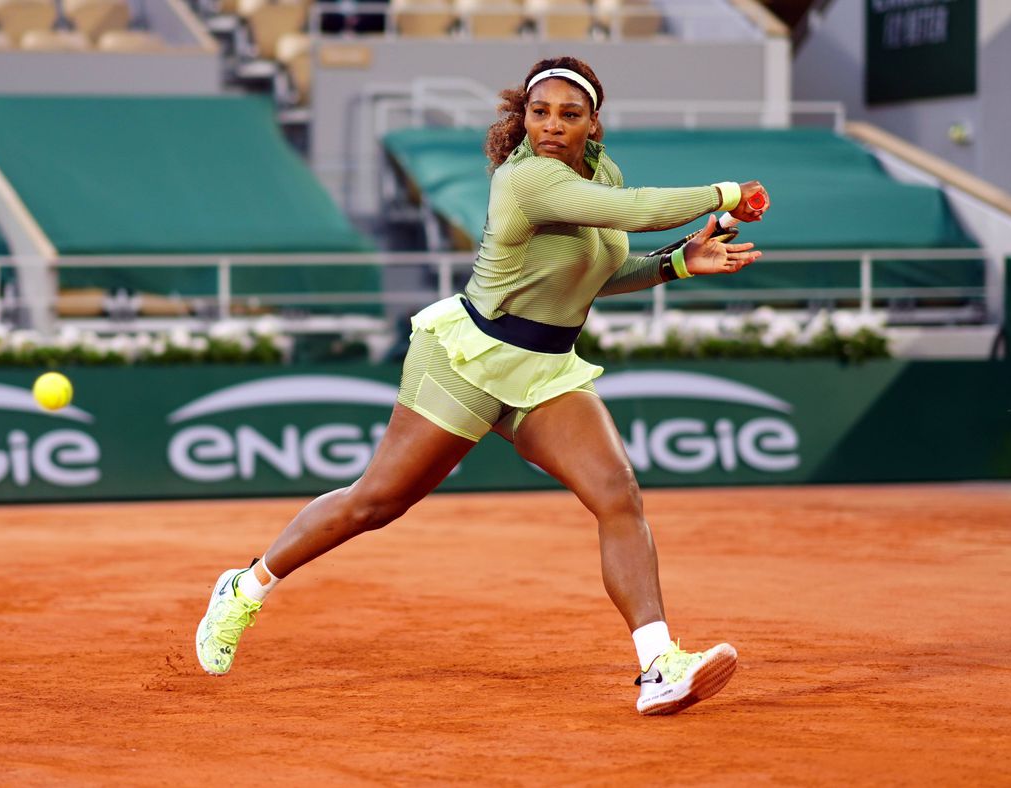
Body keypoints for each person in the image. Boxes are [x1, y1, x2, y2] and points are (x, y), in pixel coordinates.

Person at [196, 55, 769, 716]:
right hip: (467, 362)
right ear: (524, 119)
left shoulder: (600, 172)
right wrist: (728, 193)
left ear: (592, 124)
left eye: (568, 114)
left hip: (547, 371)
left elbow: (594, 269)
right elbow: (633, 212)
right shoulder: (525, 179)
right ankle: (246, 585)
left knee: (618, 493)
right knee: (377, 503)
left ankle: (659, 665)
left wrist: (677, 264)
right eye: (539, 112)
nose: (551, 126)